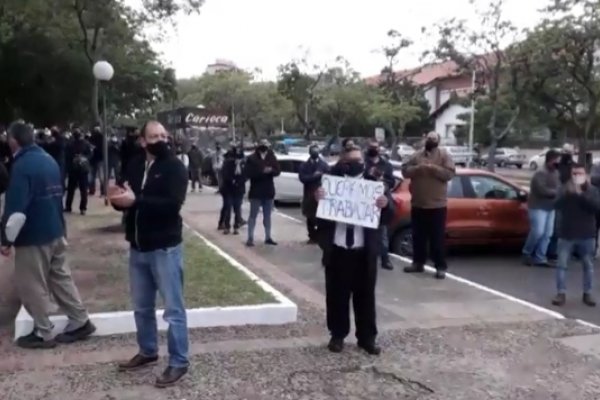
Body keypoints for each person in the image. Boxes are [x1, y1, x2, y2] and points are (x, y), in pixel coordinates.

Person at [108, 120, 189, 388]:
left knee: (173, 309)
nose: (161, 140)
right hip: (138, 246)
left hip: (164, 247)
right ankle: (148, 350)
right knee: (142, 307)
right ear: (142, 141)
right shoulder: (134, 164)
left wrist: (136, 201)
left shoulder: (175, 168)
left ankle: (179, 361)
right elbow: (128, 201)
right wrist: (118, 200)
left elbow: (172, 205)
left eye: (163, 135)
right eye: (154, 136)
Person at [1, 121, 95, 349]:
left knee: (31, 283)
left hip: (34, 236)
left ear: (13, 140)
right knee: (61, 279)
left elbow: (16, 209)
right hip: (55, 229)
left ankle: (43, 332)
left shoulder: (22, 166)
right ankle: (80, 320)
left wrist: (5, 239)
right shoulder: (47, 159)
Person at [315, 145, 394, 355]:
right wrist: (317, 200)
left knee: (365, 297)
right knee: (336, 296)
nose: (357, 164)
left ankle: (367, 338)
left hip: (363, 252)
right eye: (351, 161)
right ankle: (337, 335)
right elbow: (316, 218)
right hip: (338, 250)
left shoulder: (374, 185)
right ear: (343, 163)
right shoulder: (330, 184)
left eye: (360, 160)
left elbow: (388, 216)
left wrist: (385, 205)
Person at [401, 131, 455, 279]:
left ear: (438, 141)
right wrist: (418, 168)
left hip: (437, 206)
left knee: (437, 239)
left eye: (434, 138)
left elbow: (449, 174)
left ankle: (440, 267)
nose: (431, 140)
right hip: (418, 204)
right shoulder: (416, 155)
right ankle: (418, 263)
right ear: (425, 139)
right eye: (429, 138)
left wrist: (433, 168)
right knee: (418, 237)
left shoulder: (444, 155)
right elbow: (405, 171)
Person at [552, 163, 600, 307]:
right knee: (561, 264)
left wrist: (581, 195)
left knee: (588, 265)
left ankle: (587, 293)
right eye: (574, 174)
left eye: (580, 173)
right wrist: (568, 194)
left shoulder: (592, 190)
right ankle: (561, 293)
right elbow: (556, 205)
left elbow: (596, 208)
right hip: (567, 232)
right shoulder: (564, 188)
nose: (577, 176)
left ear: (585, 175)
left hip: (586, 233)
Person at [522, 149, 560, 267]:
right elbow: (542, 190)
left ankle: (540, 257)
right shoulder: (540, 173)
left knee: (548, 234)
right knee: (538, 232)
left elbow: (559, 186)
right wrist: (557, 192)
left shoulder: (556, 173)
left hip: (550, 207)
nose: (558, 163)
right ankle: (527, 253)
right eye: (556, 161)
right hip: (538, 206)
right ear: (550, 160)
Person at [364, 140, 395, 270]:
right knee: (365, 234)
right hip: (364, 202)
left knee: (382, 234)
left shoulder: (386, 165)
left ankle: (385, 259)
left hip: (380, 203)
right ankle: (365, 260)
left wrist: (381, 180)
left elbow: (391, 182)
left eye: (375, 147)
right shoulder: (363, 163)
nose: (373, 149)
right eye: (371, 147)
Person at [244, 139, 281, 247]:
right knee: (253, 216)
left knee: (267, 216)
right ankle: (250, 238)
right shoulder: (251, 158)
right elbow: (248, 173)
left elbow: (278, 170)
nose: (265, 149)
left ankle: (268, 237)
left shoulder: (271, 156)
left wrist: (271, 171)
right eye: (263, 146)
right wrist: (261, 171)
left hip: (268, 191)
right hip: (256, 191)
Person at [299, 145, 329, 244]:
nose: (315, 152)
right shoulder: (304, 165)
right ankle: (312, 237)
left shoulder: (324, 165)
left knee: (321, 218)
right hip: (309, 194)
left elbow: (329, 178)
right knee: (310, 216)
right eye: (313, 151)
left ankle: (320, 236)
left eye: (316, 151)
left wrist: (319, 176)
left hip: (321, 194)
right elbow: (303, 178)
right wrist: (314, 176)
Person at [64, 129, 92, 215]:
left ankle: (69, 206)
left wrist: (74, 159)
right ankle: (83, 208)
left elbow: (66, 156)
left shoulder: (69, 144)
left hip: (74, 169)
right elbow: (90, 154)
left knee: (71, 189)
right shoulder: (86, 143)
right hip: (82, 169)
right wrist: (84, 158)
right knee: (83, 190)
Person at [221, 143, 247, 235]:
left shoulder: (244, 165)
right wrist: (232, 180)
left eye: (240, 159)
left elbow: (245, 176)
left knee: (237, 209)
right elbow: (225, 174)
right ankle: (227, 226)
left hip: (239, 190)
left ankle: (236, 226)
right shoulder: (228, 163)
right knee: (228, 208)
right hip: (229, 189)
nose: (238, 160)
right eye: (237, 159)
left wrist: (238, 182)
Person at [88, 126, 105, 196]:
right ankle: (102, 191)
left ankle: (93, 190)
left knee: (93, 176)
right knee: (99, 176)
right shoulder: (102, 138)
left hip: (94, 159)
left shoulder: (92, 138)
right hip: (99, 159)